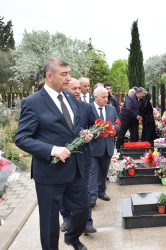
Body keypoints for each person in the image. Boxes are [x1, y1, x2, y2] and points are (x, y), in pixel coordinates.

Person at [15, 57, 93, 250]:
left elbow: (70, 128)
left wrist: (81, 134)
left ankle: (72, 237)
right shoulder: (32, 102)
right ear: (49, 76)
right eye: (63, 74)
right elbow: (22, 138)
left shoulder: (68, 97)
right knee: (50, 224)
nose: (69, 78)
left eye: (69, 73)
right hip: (49, 174)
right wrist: (52, 150)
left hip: (74, 170)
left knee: (83, 210)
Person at [60, 78, 97, 234]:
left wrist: (92, 134)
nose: (77, 91)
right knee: (64, 189)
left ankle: (87, 222)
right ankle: (67, 219)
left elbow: (95, 126)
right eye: (73, 88)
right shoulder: (59, 107)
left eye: (78, 88)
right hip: (64, 156)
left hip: (84, 155)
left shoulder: (86, 107)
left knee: (84, 189)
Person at [88, 87, 119, 208]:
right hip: (94, 146)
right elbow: (85, 125)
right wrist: (94, 133)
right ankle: (92, 196)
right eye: (103, 97)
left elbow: (118, 124)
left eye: (107, 97)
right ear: (95, 97)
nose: (106, 100)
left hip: (108, 146)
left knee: (104, 170)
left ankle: (101, 191)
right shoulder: (89, 108)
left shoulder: (111, 109)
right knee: (93, 171)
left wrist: (112, 129)